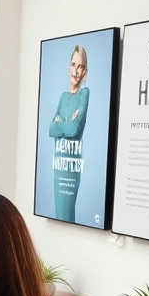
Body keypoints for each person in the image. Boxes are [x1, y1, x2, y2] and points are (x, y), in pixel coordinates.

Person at [48, 45, 90, 223]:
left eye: (80, 66)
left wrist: (61, 124)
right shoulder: (63, 97)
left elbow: (74, 130)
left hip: (71, 168)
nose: (76, 70)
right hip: (58, 166)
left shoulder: (84, 93)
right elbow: (51, 129)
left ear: (84, 71)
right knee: (59, 216)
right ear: (68, 67)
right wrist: (67, 123)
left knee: (66, 217)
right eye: (73, 65)